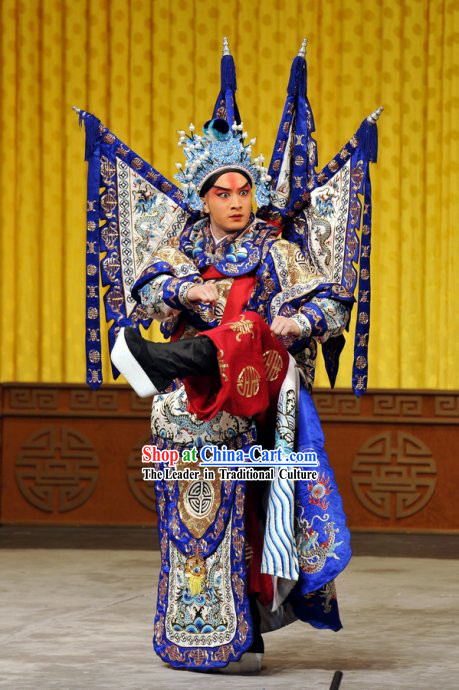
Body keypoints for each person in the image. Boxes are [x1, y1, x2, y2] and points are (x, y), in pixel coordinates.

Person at [111, 117, 354, 673]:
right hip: (193, 404)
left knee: (245, 332)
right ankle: (198, 630)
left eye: (245, 192)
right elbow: (145, 289)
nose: (237, 203)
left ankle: (152, 360)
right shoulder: (184, 247)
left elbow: (333, 306)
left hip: (255, 387)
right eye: (224, 194)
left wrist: (297, 325)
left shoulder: (276, 249)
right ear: (204, 199)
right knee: (192, 522)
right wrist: (187, 287)